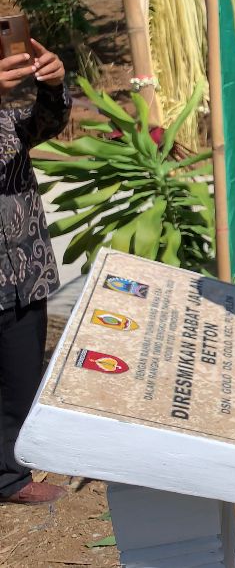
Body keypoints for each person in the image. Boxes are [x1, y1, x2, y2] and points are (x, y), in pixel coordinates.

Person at [0, 39, 69, 505]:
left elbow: (45, 124)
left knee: (21, 380)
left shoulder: (6, 117)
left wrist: (53, 87)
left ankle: (9, 475)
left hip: (25, 273)